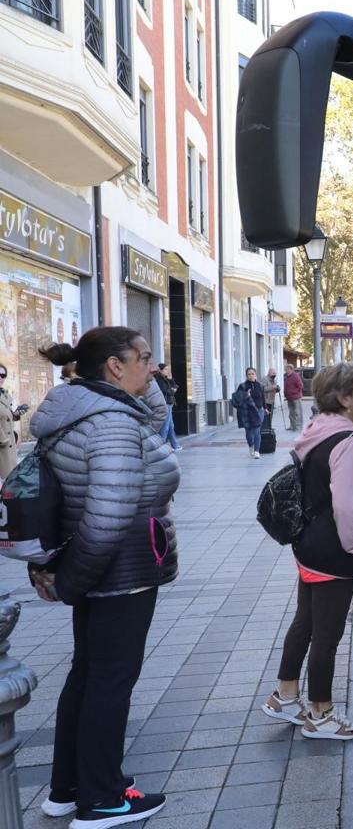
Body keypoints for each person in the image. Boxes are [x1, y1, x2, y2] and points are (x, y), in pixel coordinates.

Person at [29, 326, 179, 826]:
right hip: (120, 572)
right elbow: (109, 517)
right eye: (145, 358)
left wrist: (69, 575)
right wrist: (69, 582)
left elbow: (153, 413)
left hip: (95, 569)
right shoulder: (111, 425)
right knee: (110, 683)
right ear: (115, 367)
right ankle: (102, 798)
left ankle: (69, 786)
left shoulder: (86, 406)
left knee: (89, 675)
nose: (154, 368)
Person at [261, 362, 353, 740]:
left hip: (309, 546)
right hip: (334, 551)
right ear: (345, 398)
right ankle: (321, 714)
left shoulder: (317, 432)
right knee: (326, 635)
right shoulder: (349, 443)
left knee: (306, 622)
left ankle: (286, 695)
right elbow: (348, 509)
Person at [0, 363, 29, 478]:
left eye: (3, 375)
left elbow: (5, 416)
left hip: (9, 445)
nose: (1, 378)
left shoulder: (5, 395)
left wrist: (17, 414)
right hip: (3, 444)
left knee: (8, 480)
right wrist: (3, 440)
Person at [232, 367, 266, 458]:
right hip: (247, 412)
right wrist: (246, 395)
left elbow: (262, 397)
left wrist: (265, 408)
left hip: (259, 411)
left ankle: (257, 451)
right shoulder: (242, 386)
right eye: (249, 374)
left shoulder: (260, 385)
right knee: (249, 433)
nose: (251, 376)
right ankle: (251, 445)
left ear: (256, 374)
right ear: (246, 376)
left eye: (252, 374)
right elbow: (237, 399)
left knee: (257, 431)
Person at [153, 364, 181, 451]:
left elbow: (175, 387)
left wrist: (171, 380)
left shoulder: (166, 379)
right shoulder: (159, 380)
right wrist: (173, 390)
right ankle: (162, 446)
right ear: (160, 370)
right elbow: (167, 391)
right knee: (166, 426)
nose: (167, 371)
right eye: (165, 369)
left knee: (170, 425)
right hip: (165, 404)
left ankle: (174, 445)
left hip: (170, 403)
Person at [283, 364, 304, 431]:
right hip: (289, 398)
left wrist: (293, 392)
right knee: (291, 413)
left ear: (291, 369)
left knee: (298, 412)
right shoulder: (287, 376)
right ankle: (292, 426)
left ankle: (299, 426)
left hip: (296, 397)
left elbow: (300, 386)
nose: (286, 370)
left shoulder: (295, 376)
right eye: (285, 369)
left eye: (287, 369)